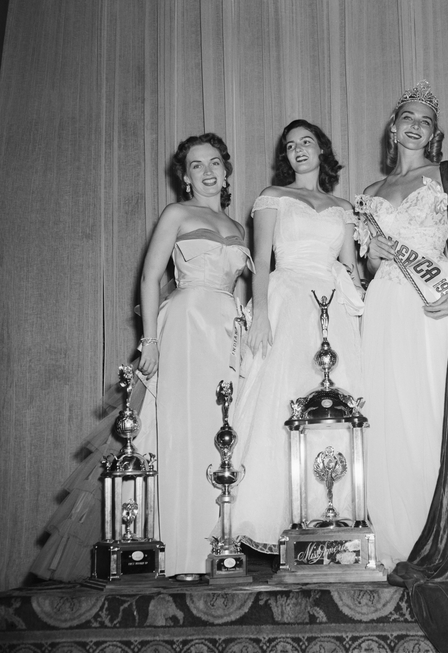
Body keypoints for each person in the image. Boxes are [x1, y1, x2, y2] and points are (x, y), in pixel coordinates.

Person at [230, 119, 364, 554]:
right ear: (285, 157)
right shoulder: (273, 198)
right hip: (287, 301)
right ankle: (282, 519)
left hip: (332, 305)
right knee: (284, 397)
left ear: (321, 150)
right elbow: (262, 264)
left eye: (306, 142)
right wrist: (262, 314)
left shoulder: (342, 206)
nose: (298, 150)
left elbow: (350, 270)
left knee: (339, 402)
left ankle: (334, 515)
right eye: (290, 146)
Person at [135, 133, 252, 579]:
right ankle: (181, 552)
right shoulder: (177, 213)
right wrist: (150, 340)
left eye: (215, 162)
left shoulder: (239, 228)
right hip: (186, 322)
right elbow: (149, 277)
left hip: (227, 326)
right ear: (185, 178)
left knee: (221, 431)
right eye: (197, 165)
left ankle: (218, 547)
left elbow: (239, 287)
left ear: (226, 171)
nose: (207, 171)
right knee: (184, 426)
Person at [356, 81, 448, 571]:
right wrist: (371, 258)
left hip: (433, 301)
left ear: (433, 134)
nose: (416, 125)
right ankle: (398, 533)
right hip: (385, 306)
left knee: (432, 405)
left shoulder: (447, 177)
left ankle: (447, 528)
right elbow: (369, 269)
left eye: (426, 121)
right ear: (393, 128)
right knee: (390, 409)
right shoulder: (370, 194)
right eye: (408, 118)